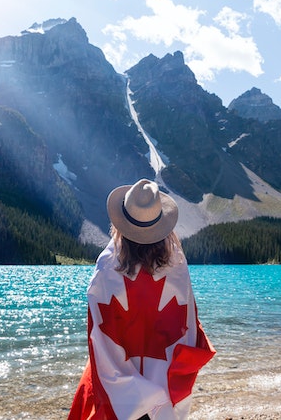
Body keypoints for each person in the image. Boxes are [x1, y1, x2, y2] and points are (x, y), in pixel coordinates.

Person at [68, 179, 215, 420]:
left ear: (121, 224)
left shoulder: (107, 266)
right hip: (165, 376)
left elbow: (98, 333)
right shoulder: (176, 263)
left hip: (120, 378)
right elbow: (188, 321)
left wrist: (122, 386)